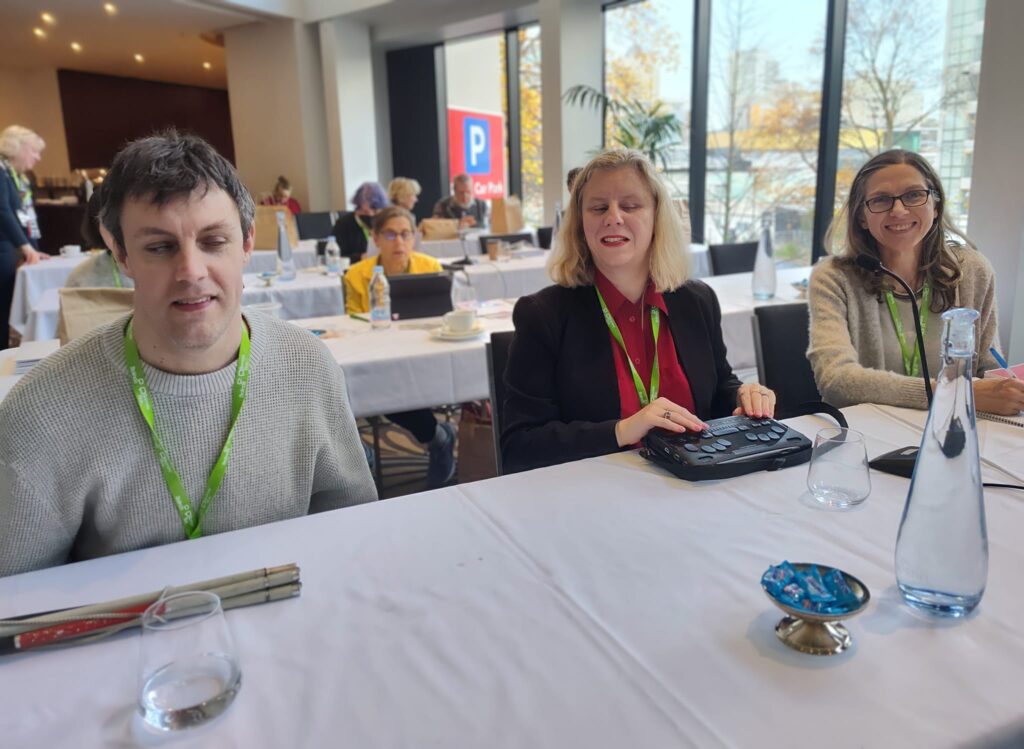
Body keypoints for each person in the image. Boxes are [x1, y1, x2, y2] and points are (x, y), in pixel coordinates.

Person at [0, 132, 376, 577]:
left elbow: (352, 533)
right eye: (159, 247)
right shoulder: (41, 412)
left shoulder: (308, 367)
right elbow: (17, 601)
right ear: (120, 252)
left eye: (214, 241)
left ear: (247, 242)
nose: (192, 272)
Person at [501, 149, 776, 474]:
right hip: (593, 491)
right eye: (598, 207)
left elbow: (718, 389)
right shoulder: (543, 315)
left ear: (658, 217)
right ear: (581, 224)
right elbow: (519, 446)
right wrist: (622, 430)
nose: (613, 217)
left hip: (692, 484)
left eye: (630, 206)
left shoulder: (697, 301)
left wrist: (742, 397)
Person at [808, 149, 1024, 416]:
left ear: (935, 205)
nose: (898, 210)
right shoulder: (833, 277)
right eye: (881, 199)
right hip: (870, 436)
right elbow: (836, 381)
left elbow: (988, 368)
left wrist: (1006, 389)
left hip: (953, 430)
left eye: (913, 195)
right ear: (862, 217)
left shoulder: (973, 271)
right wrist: (948, 394)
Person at [343, 206, 456, 488]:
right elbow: (353, 324)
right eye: (390, 234)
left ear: (415, 236)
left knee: (392, 384)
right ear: (376, 238)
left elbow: (442, 316)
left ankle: (435, 438)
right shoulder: (357, 275)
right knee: (379, 383)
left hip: (425, 354)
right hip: (378, 355)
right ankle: (436, 437)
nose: (399, 242)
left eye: (405, 234)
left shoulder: (431, 268)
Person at [0, 125, 48, 348]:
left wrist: (32, 247)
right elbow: (3, 211)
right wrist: (25, 247)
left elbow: (23, 216)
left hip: (10, 251)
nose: (37, 157)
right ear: (17, 148)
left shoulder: (13, 176)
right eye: (34, 151)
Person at [65, 186, 134, 289]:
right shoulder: (81, 278)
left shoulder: (165, 267)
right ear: (96, 228)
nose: (121, 230)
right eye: (110, 222)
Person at [331, 182, 388, 262]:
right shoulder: (343, 225)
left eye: (375, 211)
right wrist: (359, 257)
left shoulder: (388, 222)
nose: (370, 214)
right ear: (357, 208)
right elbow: (336, 256)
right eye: (364, 212)